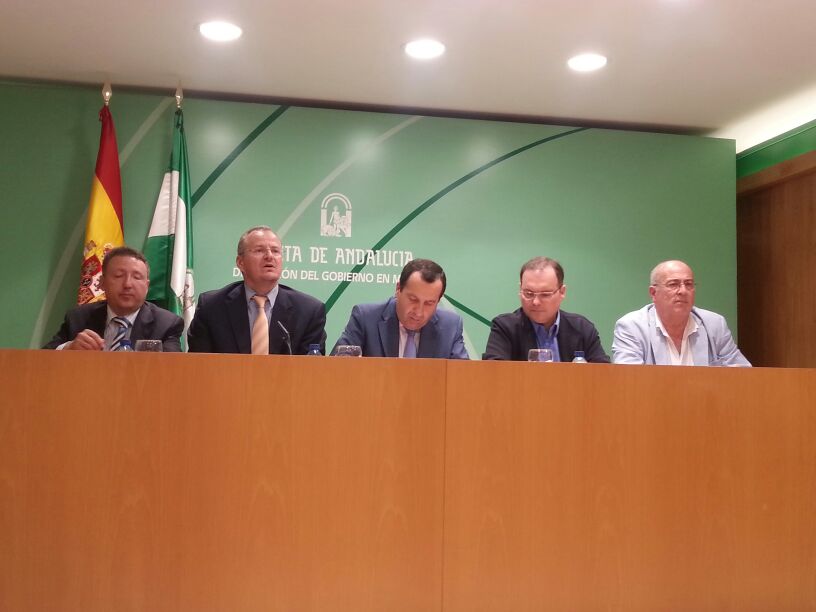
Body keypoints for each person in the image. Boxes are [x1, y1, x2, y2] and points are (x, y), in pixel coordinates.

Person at [188, 226, 326, 354]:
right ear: (240, 262)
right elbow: (198, 365)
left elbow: (312, 368)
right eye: (259, 250)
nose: (269, 256)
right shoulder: (212, 307)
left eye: (275, 251)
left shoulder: (309, 311)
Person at [44, 246, 184, 351]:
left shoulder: (166, 324)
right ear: (102, 282)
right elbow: (42, 359)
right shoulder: (78, 318)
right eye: (118, 276)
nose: (127, 284)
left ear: (147, 286)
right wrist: (69, 348)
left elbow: (174, 369)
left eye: (136, 277)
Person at [612, 260, 750, 366]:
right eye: (673, 284)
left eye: (688, 284)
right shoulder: (632, 327)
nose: (683, 291)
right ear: (653, 293)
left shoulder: (715, 324)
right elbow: (629, 380)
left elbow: (743, 375)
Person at [332, 259, 469, 359]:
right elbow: (336, 369)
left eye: (429, 303)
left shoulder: (451, 326)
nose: (419, 312)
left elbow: (463, 378)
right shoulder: (365, 318)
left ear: (438, 300)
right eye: (413, 299)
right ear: (398, 289)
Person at [483, 256, 609, 362]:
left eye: (545, 294)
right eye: (528, 293)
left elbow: (604, 374)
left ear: (562, 292)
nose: (536, 302)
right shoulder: (505, 327)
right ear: (520, 290)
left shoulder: (582, 328)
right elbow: (494, 374)